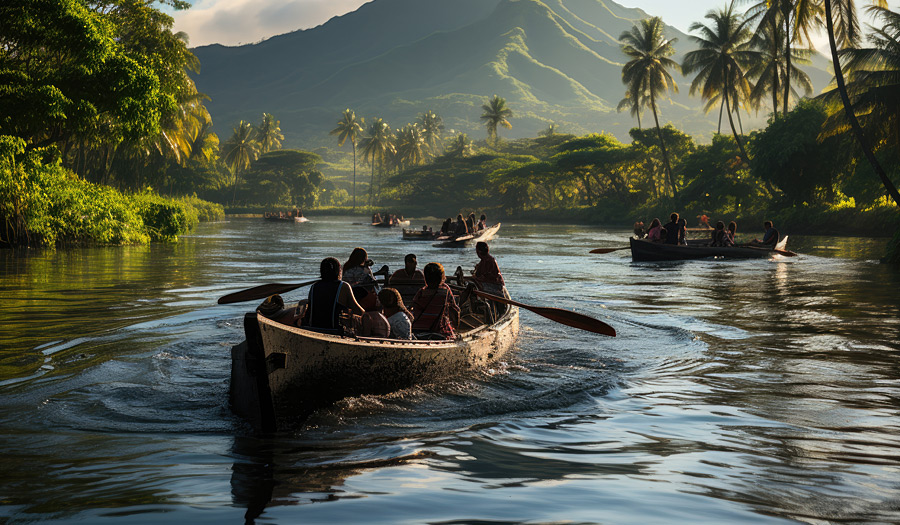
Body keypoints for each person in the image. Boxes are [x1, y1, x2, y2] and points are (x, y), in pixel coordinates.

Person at [303, 257, 365, 333]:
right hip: (334, 330)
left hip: (313, 328)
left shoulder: (314, 286)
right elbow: (359, 311)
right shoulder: (343, 286)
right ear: (339, 271)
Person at [410, 262, 460, 339]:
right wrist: (455, 329)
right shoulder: (445, 291)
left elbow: (412, 308)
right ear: (441, 277)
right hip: (439, 332)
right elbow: (454, 311)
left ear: (425, 278)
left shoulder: (421, 292)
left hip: (417, 330)